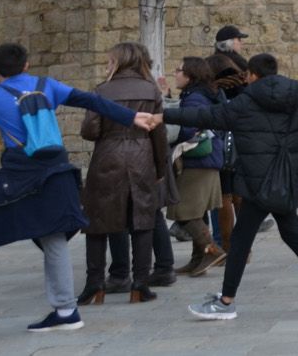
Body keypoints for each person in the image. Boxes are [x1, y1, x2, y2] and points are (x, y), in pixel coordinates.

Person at [0, 42, 158, 340]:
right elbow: (91, 100)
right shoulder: (47, 86)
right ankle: (64, 310)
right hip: (57, 171)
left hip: (19, 175)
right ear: (27, 64)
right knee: (53, 235)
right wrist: (131, 117)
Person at [163, 52, 298, 321]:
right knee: (293, 233)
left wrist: (162, 116)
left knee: (242, 240)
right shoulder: (297, 101)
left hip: (257, 186)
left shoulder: (243, 104)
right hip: (285, 182)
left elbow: (206, 115)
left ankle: (226, 301)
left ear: (252, 75)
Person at [77, 43, 170, 305]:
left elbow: (89, 131)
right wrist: (161, 168)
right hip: (142, 158)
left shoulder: (102, 90)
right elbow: (158, 133)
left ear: (117, 62)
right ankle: (140, 284)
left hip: (107, 157)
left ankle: (94, 284)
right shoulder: (151, 90)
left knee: (96, 223)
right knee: (142, 221)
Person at [166, 57, 228, 279]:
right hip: (207, 160)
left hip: (198, 160)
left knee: (184, 210)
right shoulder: (201, 95)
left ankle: (212, 250)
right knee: (197, 212)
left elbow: (188, 130)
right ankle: (197, 258)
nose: (175, 73)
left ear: (190, 75)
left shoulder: (194, 100)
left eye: (178, 70)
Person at [206, 25, 251, 249]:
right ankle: (226, 242)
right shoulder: (223, 64)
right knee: (226, 190)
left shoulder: (231, 62)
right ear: (229, 43)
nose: (241, 43)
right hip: (227, 134)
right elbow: (237, 94)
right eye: (238, 39)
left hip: (231, 132)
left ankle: (229, 241)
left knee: (228, 190)